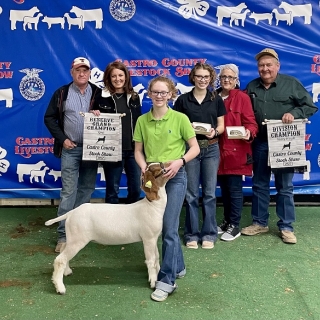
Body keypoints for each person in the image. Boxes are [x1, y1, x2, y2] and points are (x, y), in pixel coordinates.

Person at [241, 48, 318, 244]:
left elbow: (309, 106)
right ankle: (259, 222)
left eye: (269, 65)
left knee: (285, 187)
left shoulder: (291, 84)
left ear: (277, 66)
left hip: (284, 142)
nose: (265, 69)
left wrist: (294, 114)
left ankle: (286, 226)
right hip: (260, 142)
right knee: (259, 184)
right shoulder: (251, 86)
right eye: (261, 65)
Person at [133, 76, 200, 302]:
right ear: (149, 94)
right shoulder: (142, 121)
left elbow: (195, 148)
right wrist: (143, 168)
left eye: (164, 92)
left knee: (168, 227)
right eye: (155, 92)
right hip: (153, 177)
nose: (159, 96)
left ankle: (166, 280)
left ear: (171, 94)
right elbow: (138, 151)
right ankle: (178, 265)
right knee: (164, 226)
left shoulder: (180, 118)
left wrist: (180, 161)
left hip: (176, 175)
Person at [44, 57, 101, 253]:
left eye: (85, 70)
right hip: (70, 148)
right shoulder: (62, 93)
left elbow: (110, 114)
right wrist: (62, 139)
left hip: (92, 149)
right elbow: (49, 118)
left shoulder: (98, 92)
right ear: (72, 72)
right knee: (69, 191)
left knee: (86, 189)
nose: (82, 73)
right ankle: (63, 235)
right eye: (78, 70)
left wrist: (101, 113)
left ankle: (80, 231)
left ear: (90, 72)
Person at [174, 62, 226, 250]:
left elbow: (221, 125)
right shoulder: (183, 100)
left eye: (206, 77)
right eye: (199, 76)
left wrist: (215, 132)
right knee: (191, 194)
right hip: (191, 149)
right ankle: (192, 234)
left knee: (210, 193)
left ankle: (209, 234)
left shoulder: (216, 99)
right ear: (193, 78)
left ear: (211, 78)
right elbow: (177, 126)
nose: (202, 80)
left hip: (211, 148)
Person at [216, 64, 258, 241]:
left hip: (236, 151)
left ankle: (235, 225)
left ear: (236, 80)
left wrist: (249, 132)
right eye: (224, 77)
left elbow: (251, 123)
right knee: (224, 189)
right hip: (217, 151)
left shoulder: (242, 98)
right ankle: (226, 221)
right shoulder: (213, 97)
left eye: (230, 77)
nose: (226, 80)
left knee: (234, 189)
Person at [92, 61, 141, 204]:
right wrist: (93, 114)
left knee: (136, 189)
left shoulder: (134, 97)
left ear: (126, 77)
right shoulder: (101, 97)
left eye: (121, 75)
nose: (117, 79)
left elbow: (139, 122)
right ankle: (110, 223)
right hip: (112, 151)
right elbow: (94, 123)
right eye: (114, 76)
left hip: (133, 150)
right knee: (112, 190)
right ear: (108, 78)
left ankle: (131, 221)